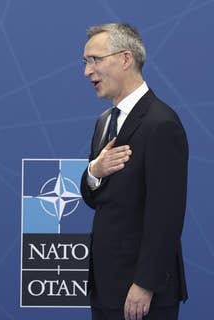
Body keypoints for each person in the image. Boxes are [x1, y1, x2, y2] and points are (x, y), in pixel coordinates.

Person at [80, 23, 188, 320]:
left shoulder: (161, 123)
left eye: (95, 60)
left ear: (126, 59)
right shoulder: (104, 122)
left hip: (141, 296)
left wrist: (145, 283)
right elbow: (95, 199)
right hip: (105, 288)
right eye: (86, 62)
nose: (87, 72)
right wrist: (95, 171)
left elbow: (166, 213)